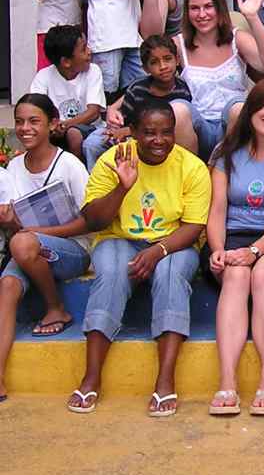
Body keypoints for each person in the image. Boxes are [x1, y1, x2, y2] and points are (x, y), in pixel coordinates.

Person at [67, 99, 211, 416]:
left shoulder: (192, 167)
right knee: (112, 273)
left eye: (166, 133)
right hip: (119, 239)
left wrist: (159, 250)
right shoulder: (114, 159)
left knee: (171, 273)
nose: (159, 141)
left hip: (173, 243)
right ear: (133, 132)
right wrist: (122, 187)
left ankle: (165, 380)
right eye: (149, 132)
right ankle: (91, 377)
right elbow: (93, 220)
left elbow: (194, 226)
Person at [205, 79, 264, 417]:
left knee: (261, 275)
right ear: (251, 108)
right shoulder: (225, 153)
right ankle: (227, 380)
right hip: (231, 237)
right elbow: (217, 209)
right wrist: (217, 248)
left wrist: (256, 250)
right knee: (235, 276)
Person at [0, 95, 90, 401]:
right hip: (28, 248)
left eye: (34, 121)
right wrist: (10, 221)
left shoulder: (70, 165)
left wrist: (36, 232)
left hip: (72, 250)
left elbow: (89, 222)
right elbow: (17, 227)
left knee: (23, 243)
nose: (25, 128)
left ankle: (56, 309)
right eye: (20, 122)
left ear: (52, 125)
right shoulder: (13, 167)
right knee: (8, 286)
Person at [175, 0, 264, 158]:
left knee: (239, 108)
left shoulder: (236, 38)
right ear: (187, 12)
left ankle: (226, 173)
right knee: (178, 110)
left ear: (220, 8)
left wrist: (252, 17)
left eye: (209, 6)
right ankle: (192, 178)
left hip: (234, 124)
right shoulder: (178, 44)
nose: (202, 14)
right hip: (198, 127)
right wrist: (116, 106)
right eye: (195, 8)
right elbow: (154, 76)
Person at [83, 35, 197, 170]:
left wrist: (127, 132)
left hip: (161, 140)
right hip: (132, 135)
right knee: (93, 143)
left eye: (167, 59)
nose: (163, 66)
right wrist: (116, 130)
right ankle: (98, 182)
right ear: (145, 68)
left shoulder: (183, 91)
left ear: (177, 60)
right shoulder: (138, 89)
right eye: (154, 62)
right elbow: (126, 120)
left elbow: (174, 129)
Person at [29, 24, 105, 158]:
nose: (89, 51)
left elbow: (93, 112)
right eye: (83, 49)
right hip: (54, 129)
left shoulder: (93, 71)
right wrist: (53, 127)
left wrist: (65, 125)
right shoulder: (43, 76)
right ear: (66, 62)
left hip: (89, 128)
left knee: (73, 134)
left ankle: (78, 172)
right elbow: (36, 110)